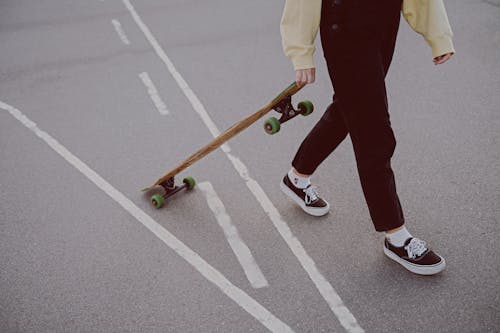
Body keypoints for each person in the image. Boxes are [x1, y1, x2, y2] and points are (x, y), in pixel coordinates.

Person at [280, 0, 455, 275]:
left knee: (350, 109)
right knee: (374, 131)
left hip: (383, 22)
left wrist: (438, 34)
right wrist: (300, 52)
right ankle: (396, 235)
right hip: (345, 28)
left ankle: (297, 178)